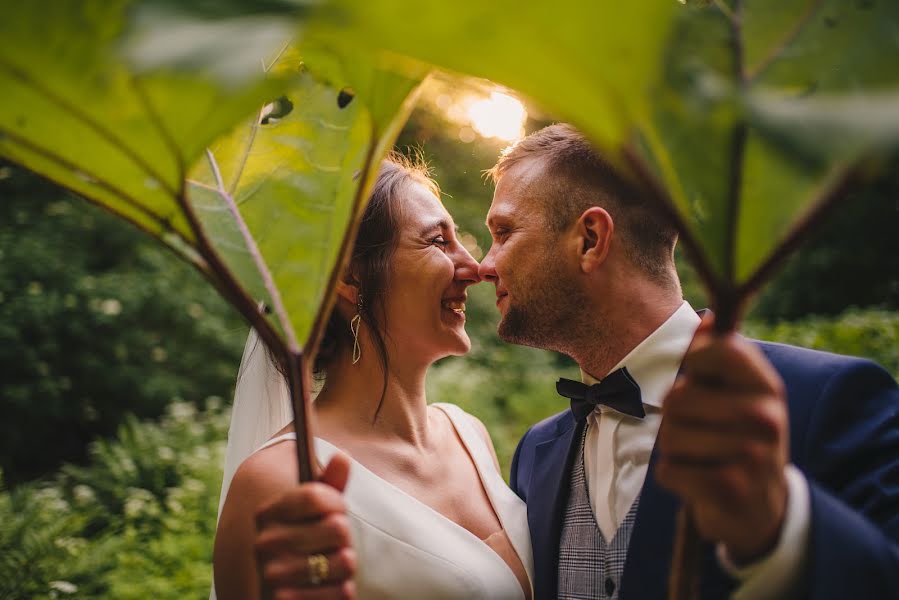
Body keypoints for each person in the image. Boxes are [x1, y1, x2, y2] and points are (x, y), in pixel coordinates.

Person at [255, 125, 899, 599]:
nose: (484, 264)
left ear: (590, 239)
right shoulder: (537, 455)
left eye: (505, 231)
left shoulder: (825, 400)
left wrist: (779, 527)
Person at [212, 155, 533, 600]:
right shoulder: (280, 479)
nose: (476, 267)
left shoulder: (467, 433)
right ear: (350, 275)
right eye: (439, 242)